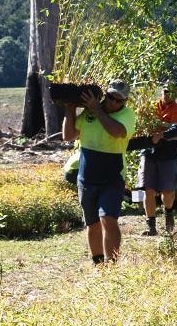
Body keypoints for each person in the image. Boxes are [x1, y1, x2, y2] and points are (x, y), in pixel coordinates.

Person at [62, 79, 136, 264]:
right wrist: (70, 110)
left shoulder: (127, 115)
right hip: (87, 177)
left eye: (118, 100)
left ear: (125, 102)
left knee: (108, 219)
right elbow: (68, 135)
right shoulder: (90, 112)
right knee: (93, 224)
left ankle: (112, 265)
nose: (113, 102)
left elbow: (116, 132)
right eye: (110, 97)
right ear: (106, 94)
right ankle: (98, 263)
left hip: (113, 176)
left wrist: (98, 110)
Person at [139, 81, 177, 236]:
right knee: (148, 189)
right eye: (166, 91)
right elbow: (141, 125)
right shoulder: (150, 107)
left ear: (176, 94)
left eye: (171, 92)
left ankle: (169, 213)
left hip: (168, 154)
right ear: (161, 91)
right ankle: (150, 226)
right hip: (149, 152)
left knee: (168, 190)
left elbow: (176, 130)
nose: (167, 94)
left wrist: (161, 133)